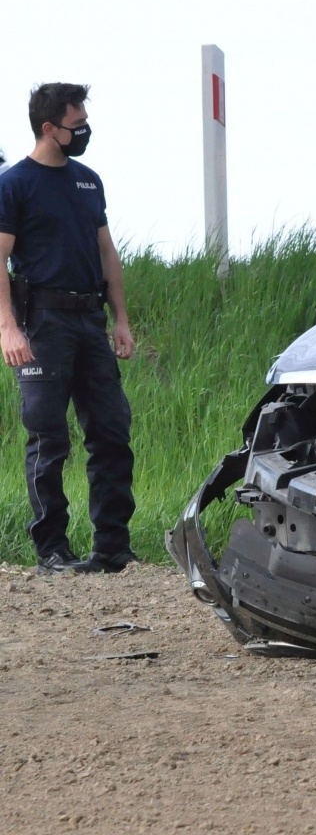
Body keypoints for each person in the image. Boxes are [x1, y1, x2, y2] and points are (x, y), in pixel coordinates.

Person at [0, 83, 137, 575]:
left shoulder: (88, 181)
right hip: (41, 324)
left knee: (111, 433)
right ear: (47, 128)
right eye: (76, 126)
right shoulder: (14, 184)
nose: (83, 133)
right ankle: (52, 550)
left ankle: (113, 549)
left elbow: (106, 253)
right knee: (48, 438)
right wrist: (8, 328)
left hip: (88, 320)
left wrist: (120, 319)